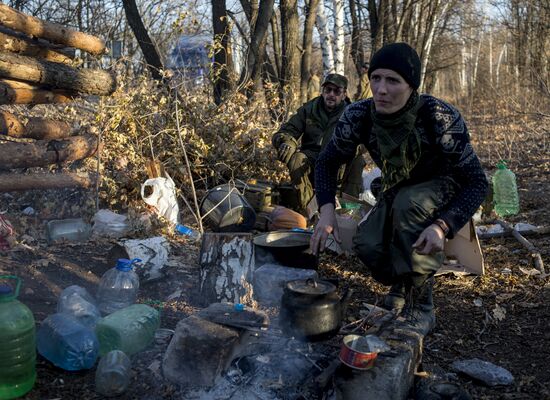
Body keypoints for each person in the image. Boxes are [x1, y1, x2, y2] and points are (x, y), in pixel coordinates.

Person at [310, 43, 488, 334]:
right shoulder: (360, 115)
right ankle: (400, 284)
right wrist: (326, 213)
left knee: (409, 204)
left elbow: (477, 181)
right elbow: (326, 162)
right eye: (376, 78)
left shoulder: (438, 116)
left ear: (411, 86)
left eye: (393, 80)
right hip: (397, 185)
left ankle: (422, 306)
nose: (381, 89)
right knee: (367, 245)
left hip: (443, 185)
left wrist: (443, 226)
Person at [272, 73, 365, 215]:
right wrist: (287, 142)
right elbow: (286, 131)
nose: (331, 95)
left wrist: (351, 148)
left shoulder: (352, 113)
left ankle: (348, 212)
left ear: (344, 94)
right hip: (313, 159)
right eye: (328, 90)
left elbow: (365, 142)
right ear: (323, 91)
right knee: (297, 158)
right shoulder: (309, 109)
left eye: (337, 91)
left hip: (339, 161)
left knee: (358, 161)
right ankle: (311, 211)